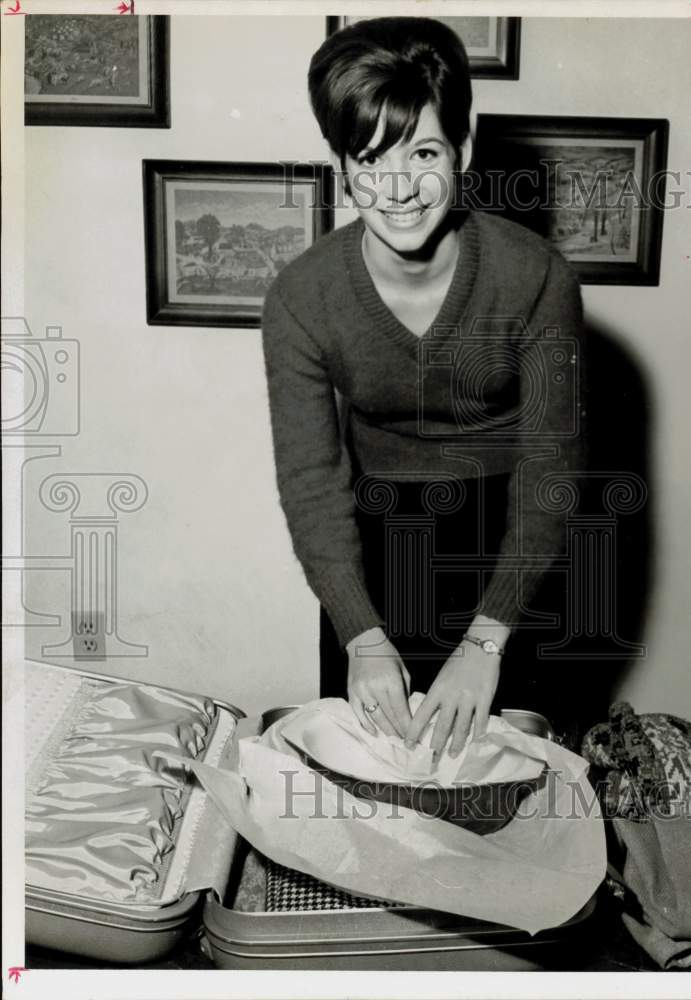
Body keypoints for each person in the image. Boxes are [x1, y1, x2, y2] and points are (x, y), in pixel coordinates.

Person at [261, 17, 587, 762]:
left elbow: (552, 472)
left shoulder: (535, 276)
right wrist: (360, 631)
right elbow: (312, 481)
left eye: (425, 152)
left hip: (513, 536)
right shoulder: (299, 298)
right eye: (370, 158)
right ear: (342, 165)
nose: (398, 188)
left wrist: (487, 637)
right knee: (369, 782)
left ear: (464, 151)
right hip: (373, 542)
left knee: (506, 777)